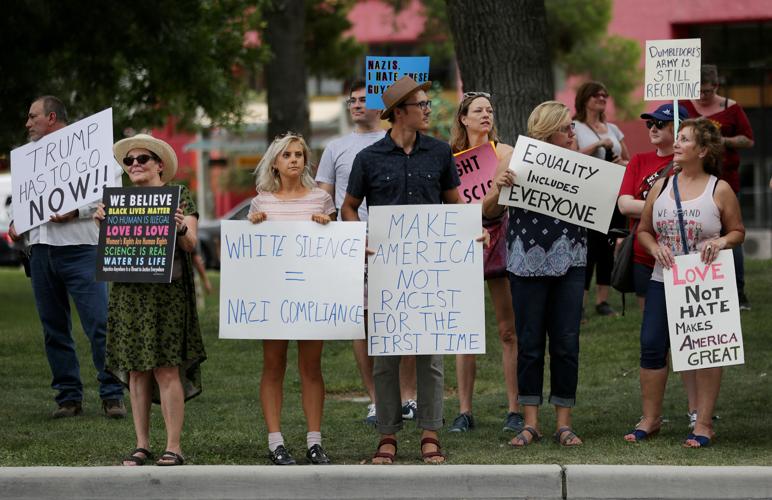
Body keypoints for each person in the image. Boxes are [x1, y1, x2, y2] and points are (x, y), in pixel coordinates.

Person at [342, 76, 476, 464]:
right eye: (422, 105)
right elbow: (349, 206)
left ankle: (430, 433)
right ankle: (387, 435)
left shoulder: (439, 152)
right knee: (385, 355)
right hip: (385, 269)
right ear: (399, 112)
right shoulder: (369, 158)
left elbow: (454, 204)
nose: (429, 110)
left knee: (429, 355)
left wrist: (471, 232)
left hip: (431, 269)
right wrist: (358, 237)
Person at [624, 118, 744, 448]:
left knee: (706, 350)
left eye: (685, 139)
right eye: (677, 138)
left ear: (703, 150)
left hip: (705, 281)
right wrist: (653, 248)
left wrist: (721, 242)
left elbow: (737, 231)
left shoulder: (719, 189)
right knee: (652, 345)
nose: (676, 144)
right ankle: (650, 419)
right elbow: (644, 230)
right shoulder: (661, 186)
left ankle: (703, 424)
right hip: (663, 279)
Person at [9, 96, 125, 419]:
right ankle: (68, 397)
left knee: (99, 324)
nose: (27, 123)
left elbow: (112, 196)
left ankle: (112, 394)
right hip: (40, 252)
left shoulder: (93, 150)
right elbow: (21, 206)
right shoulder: (27, 160)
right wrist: (17, 226)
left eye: (32, 116)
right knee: (54, 328)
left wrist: (77, 211)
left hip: (81, 249)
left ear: (51, 117)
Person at [96, 134, 206, 466]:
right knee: (136, 370)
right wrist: (102, 225)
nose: (134, 165)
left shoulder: (179, 196)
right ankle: (141, 444)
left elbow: (191, 245)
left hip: (166, 295)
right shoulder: (119, 202)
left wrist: (181, 229)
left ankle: (174, 446)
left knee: (166, 368)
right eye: (128, 161)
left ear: (159, 165)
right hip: (129, 293)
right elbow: (114, 250)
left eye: (141, 159)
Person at [483, 101, 586, 448]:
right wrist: (500, 188)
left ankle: (564, 424)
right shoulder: (516, 160)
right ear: (549, 131)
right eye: (567, 127)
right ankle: (530, 424)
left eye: (572, 127)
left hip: (571, 260)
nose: (572, 133)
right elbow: (488, 211)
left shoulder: (579, 165)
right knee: (529, 343)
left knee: (566, 343)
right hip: (526, 262)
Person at [249, 132, 337, 466]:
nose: (294, 159)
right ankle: (276, 442)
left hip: (311, 295)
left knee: (311, 367)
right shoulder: (262, 202)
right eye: (286, 155)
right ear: (275, 162)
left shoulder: (320, 199)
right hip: (275, 296)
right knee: (273, 366)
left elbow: (335, 247)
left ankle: (315, 441)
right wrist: (254, 225)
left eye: (299, 154)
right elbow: (252, 252)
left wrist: (327, 225)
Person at [447, 91, 522, 434]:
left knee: (508, 329)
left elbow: (498, 205)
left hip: (499, 238)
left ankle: (514, 409)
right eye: (478, 110)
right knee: (465, 330)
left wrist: (492, 198)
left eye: (489, 110)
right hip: (463, 241)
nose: (485, 115)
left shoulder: (506, 153)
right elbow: (451, 207)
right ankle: (464, 411)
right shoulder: (448, 158)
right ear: (463, 118)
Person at [315, 79, 385, 426]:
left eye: (363, 99)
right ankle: (375, 400)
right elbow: (324, 199)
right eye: (351, 101)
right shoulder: (336, 148)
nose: (356, 105)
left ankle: (408, 397)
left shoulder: (395, 140)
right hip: (352, 243)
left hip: (395, 237)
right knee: (363, 323)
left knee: (400, 318)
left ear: (380, 105)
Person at [683, 65, 755, 311]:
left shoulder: (731, 108)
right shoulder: (685, 105)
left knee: (730, 233)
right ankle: (698, 288)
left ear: (716, 86)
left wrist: (720, 140)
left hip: (726, 179)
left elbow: (748, 139)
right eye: (699, 91)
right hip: (693, 178)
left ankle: (738, 291)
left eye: (707, 91)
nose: (702, 96)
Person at [618, 103, 687, 312]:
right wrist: (667, 209)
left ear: (678, 128)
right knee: (650, 321)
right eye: (650, 123)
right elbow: (624, 205)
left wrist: (645, 208)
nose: (653, 128)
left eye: (660, 123)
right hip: (644, 254)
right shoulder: (638, 160)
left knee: (681, 319)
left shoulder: (689, 164)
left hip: (683, 254)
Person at [573, 81, 630, 318]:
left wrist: (621, 163)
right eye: (596, 95)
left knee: (608, 246)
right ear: (585, 98)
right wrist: (597, 144)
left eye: (605, 95)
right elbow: (571, 157)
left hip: (612, 193)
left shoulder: (613, 128)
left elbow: (628, 159)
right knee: (588, 248)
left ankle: (602, 301)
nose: (602, 98)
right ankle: (580, 303)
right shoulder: (575, 127)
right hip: (589, 194)